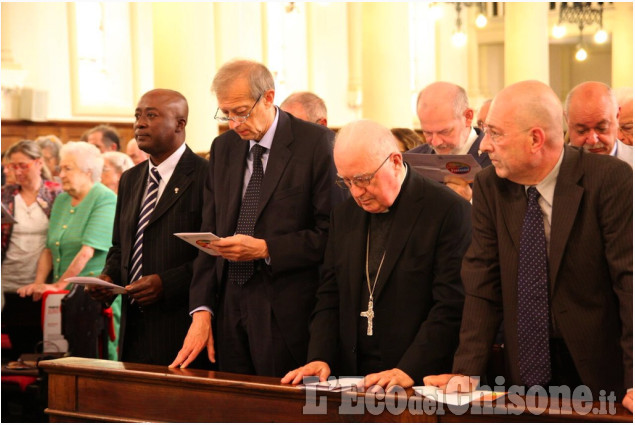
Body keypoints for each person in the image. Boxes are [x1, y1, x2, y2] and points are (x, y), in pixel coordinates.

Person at [424, 80, 633, 413]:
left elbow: (630, 283)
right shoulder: (490, 186)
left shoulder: (610, 179)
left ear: (535, 139)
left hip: (601, 371)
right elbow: (482, 281)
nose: (484, 147)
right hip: (525, 369)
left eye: (495, 133)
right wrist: (466, 371)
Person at [170, 59, 338, 377]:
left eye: (242, 111)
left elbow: (330, 234)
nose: (234, 123)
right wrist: (202, 310)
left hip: (287, 308)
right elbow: (210, 235)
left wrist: (266, 248)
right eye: (226, 113)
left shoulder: (316, 143)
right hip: (229, 305)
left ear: (269, 98)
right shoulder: (224, 149)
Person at [281, 120, 471, 390]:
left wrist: (409, 369)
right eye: (346, 181)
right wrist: (319, 356)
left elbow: (451, 305)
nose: (356, 192)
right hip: (352, 376)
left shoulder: (447, 210)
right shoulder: (345, 215)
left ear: (395, 161)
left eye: (363, 179)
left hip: (418, 379)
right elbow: (330, 294)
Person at [88, 89, 209, 367]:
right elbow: (121, 245)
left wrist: (166, 284)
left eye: (151, 116)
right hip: (134, 328)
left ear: (180, 124)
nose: (139, 123)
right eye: (137, 115)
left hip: (182, 323)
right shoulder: (131, 178)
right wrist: (108, 278)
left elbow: (213, 253)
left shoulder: (206, 175)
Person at [17, 141, 118, 359]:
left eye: (67, 168)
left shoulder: (105, 199)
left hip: (92, 299)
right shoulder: (62, 200)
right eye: (60, 168)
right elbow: (48, 249)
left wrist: (57, 286)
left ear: (88, 171)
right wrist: (39, 283)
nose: (60, 174)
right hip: (63, 299)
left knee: (93, 361)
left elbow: (86, 252)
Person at [1, 140, 62, 358]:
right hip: (7, 279)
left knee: (36, 347)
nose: (17, 171)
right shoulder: (5, 195)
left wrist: (41, 282)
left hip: (38, 280)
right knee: (13, 352)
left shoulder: (56, 195)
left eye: (22, 165)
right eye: (11, 166)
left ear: (38, 163)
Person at [410, 82, 492, 201]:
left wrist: (470, 202)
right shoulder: (413, 162)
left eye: (444, 132)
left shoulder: (497, 160)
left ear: (468, 117)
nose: (436, 142)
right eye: (427, 133)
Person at [565, 81, 633, 166]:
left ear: (617, 116)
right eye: (581, 131)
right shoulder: (554, 167)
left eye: (602, 128)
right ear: (567, 121)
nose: (593, 140)